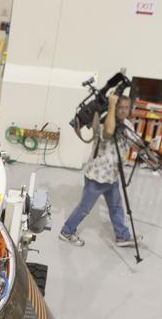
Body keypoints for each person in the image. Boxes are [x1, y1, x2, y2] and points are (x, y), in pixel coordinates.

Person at [60, 92, 142, 248]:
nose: (124, 111)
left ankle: (122, 236)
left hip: (112, 176)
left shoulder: (127, 124)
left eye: (127, 108)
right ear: (114, 108)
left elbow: (135, 142)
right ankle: (66, 231)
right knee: (84, 208)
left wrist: (146, 146)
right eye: (120, 108)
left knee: (116, 207)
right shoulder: (105, 122)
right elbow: (108, 133)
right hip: (97, 176)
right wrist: (111, 104)